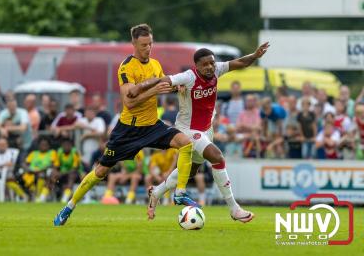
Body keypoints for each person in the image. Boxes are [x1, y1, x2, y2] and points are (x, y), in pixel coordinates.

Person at [54, 23, 195, 226]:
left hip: (152, 125)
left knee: (185, 143)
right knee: (101, 172)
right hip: (128, 130)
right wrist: (154, 91)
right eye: (144, 45)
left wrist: (176, 87)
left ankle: (179, 193)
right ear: (134, 44)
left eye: (151, 44)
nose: (148, 48)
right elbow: (129, 101)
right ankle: (69, 207)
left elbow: (163, 86)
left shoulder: (155, 65)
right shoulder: (126, 67)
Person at [132, 42, 269, 221]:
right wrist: (141, 87)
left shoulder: (217, 70)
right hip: (187, 130)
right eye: (205, 64)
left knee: (190, 172)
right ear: (196, 66)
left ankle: (156, 192)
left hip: (206, 129)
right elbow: (165, 81)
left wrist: (255, 55)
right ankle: (234, 209)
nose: (210, 67)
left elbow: (240, 63)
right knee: (217, 157)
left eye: (211, 63)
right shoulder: (188, 77)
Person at [49, 139, 82, 203]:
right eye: (64, 145)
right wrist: (55, 172)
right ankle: (47, 195)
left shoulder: (74, 152)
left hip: (77, 174)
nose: (66, 147)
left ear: (71, 146)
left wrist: (62, 173)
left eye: (68, 145)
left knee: (72, 175)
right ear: (62, 146)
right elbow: (56, 166)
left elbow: (75, 168)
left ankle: (65, 197)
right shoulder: (59, 152)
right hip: (63, 174)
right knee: (52, 174)